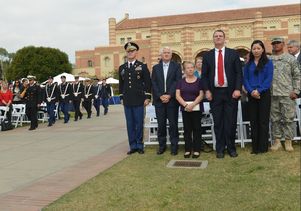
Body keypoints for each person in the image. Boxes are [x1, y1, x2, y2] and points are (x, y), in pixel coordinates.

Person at [202, 29, 242, 159]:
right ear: (213, 39)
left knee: (230, 122)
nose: (218, 38)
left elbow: (238, 73)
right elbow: (204, 76)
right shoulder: (207, 56)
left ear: (225, 39)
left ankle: (231, 148)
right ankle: (219, 149)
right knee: (218, 123)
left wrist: (237, 89)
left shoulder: (233, 53)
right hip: (215, 93)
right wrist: (207, 90)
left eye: (220, 36)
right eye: (216, 36)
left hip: (231, 93)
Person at [119, 42, 151, 155]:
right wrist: (121, 97)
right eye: (128, 51)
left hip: (139, 100)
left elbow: (148, 83)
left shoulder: (142, 66)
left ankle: (139, 145)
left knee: (139, 123)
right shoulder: (122, 68)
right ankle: (132, 145)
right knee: (130, 124)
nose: (130, 53)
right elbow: (121, 85)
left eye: (132, 51)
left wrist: (147, 97)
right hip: (127, 100)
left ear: (136, 52)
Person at [270, 37, 301, 152]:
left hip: (287, 94)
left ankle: (288, 141)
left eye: (278, 43)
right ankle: (277, 141)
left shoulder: (290, 59)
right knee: (275, 119)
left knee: (288, 119)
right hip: (272, 94)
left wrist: (296, 91)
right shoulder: (268, 60)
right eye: (274, 43)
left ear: (283, 44)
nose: (276, 45)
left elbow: (297, 76)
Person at [243, 40, 274, 154]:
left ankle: (263, 147)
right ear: (251, 50)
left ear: (262, 50)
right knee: (254, 121)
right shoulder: (247, 65)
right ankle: (255, 147)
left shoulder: (268, 63)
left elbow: (268, 79)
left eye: (258, 48)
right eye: (254, 48)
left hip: (264, 94)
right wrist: (251, 91)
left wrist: (259, 90)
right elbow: (245, 79)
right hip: (251, 95)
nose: (256, 51)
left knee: (263, 121)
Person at [151, 46, 182, 155]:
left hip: (172, 100)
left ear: (171, 54)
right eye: (164, 52)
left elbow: (177, 81)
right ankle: (162, 146)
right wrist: (160, 96)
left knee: (173, 124)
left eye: (168, 52)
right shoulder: (155, 68)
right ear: (161, 55)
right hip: (159, 101)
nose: (166, 54)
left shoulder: (177, 67)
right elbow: (153, 84)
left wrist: (169, 95)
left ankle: (174, 147)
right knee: (161, 125)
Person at [176, 61, 204, 158]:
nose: (190, 69)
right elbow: (177, 95)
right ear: (184, 70)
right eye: (188, 68)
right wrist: (185, 105)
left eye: (192, 67)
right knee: (187, 130)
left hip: (196, 108)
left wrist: (193, 104)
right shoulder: (180, 82)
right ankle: (188, 149)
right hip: (185, 109)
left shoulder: (200, 81)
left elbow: (201, 94)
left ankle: (196, 149)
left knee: (197, 129)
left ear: (194, 68)